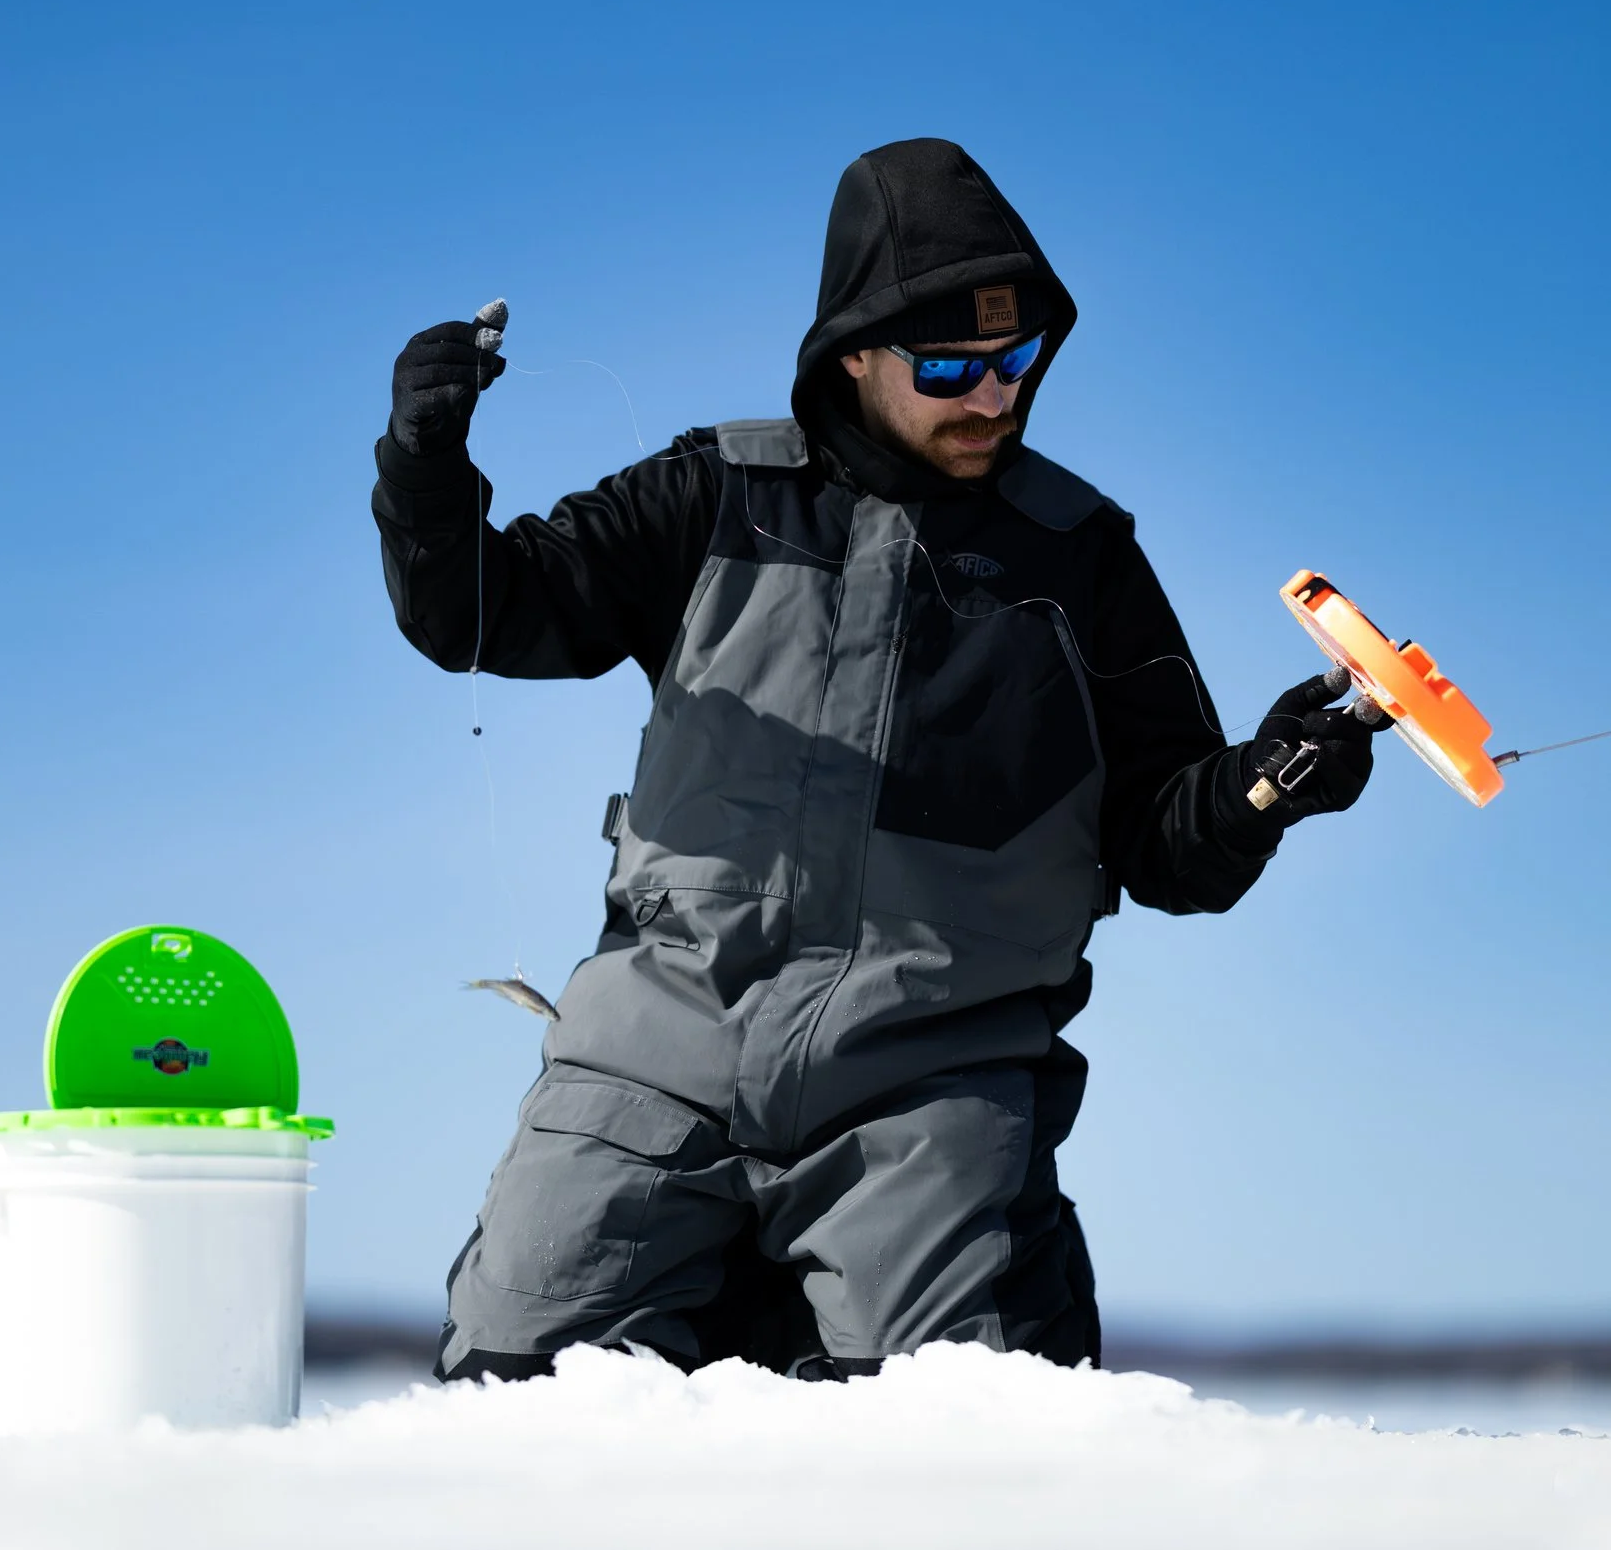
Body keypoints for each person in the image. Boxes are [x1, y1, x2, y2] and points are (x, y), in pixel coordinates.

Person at [372, 138, 1387, 1383]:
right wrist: (423, 476)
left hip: (928, 1083)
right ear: (853, 350)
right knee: (515, 1394)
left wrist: (1264, 785)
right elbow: (481, 611)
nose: (993, 397)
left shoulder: (1079, 561)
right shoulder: (712, 495)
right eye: (951, 365)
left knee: (961, 1439)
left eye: (1017, 362)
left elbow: (1168, 844)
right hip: (654, 1057)